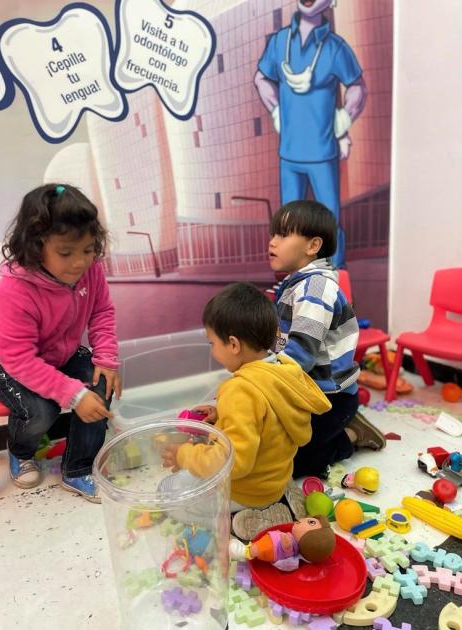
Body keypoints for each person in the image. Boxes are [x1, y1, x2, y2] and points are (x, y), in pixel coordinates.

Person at [0, 183, 121, 502]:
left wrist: (105, 358)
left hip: (59, 354)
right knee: (42, 410)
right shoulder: (14, 291)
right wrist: (73, 395)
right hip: (5, 364)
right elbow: (19, 359)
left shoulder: (90, 271)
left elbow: (102, 311)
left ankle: (78, 469)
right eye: (66, 253)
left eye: (89, 250)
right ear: (36, 246)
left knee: (99, 387)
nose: (80, 263)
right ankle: (21, 451)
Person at [161, 282, 331, 523]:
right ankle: (275, 501)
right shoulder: (281, 371)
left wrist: (185, 455)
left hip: (248, 492)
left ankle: (250, 517)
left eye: (212, 343)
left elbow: (234, 462)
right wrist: (220, 414)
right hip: (274, 481)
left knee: (169, 496)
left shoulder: (240, 390)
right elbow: (266, 417)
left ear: (233, 344)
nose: (212, 351)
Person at [269, 200, 385, 479]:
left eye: (283, 235)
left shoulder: (315, 289)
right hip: (306, 390)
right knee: (272, 447)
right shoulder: (295, 282)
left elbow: (301, 353)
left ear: (312, 246)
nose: (272, 242)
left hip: (329, 399)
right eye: (273, 234)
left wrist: (260, 377)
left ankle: (352, 434)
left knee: (292, 466)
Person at [254, 0, 367, 268]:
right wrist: (275, 110)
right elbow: (261, 78)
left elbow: (357, 87)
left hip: (322, 154)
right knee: (288, 227)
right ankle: (295, 286)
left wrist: (344, 118)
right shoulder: (280, 42)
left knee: (328, 226)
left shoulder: (335, 47)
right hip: (290, 155)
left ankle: (332, 289)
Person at [229, 515, 335, 568]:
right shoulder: (293, 536)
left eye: (310, 523)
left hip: (272, 548)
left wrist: (287, 545)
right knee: (257, 546)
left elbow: (288, 553)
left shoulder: (294, 547)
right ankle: (246, 550)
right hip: (270, 541)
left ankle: (243, 552)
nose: (301, 520)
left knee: (256, 549)